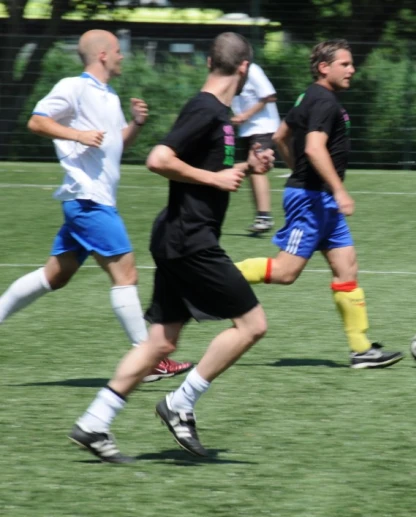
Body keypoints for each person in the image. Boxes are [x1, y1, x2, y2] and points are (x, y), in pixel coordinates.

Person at [69, 32, 275, 463]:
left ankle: (93, 422)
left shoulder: (219, 114)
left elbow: (203, 168)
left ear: (208, 63)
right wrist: (217, 179)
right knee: (252, 325)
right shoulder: (206, 109)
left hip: (178, 238)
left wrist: (243, 166)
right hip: (191, 241)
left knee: (161, 342)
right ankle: (180, 403)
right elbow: (159, 159)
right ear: (244, 69)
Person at [0, 29, 192, 382]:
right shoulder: (74, 86)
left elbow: (114, 142)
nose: (122, 56)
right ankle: (148, 358)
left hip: (93, 200)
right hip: (88, 200)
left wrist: (135, 124)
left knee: (54, 276)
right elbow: (37, 120)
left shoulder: (109, 96)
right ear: (103, 55)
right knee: (127, 274)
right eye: (118, 51)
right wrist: (77, 135)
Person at [234, 39, 403, 369]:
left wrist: (298, 171)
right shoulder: (324, 100)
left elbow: (282, 135)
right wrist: (337, 189)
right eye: (345, 64)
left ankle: (361, 350)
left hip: (320, 199)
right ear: (324, 67)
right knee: (285, 272)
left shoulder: (309, 95)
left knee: (346, 267)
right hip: (313, 200)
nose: (352, 69)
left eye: (352, 64)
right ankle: (216, 278)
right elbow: (313, 147)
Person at [231, 61, 280, 235]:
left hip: (262, 126)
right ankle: (262, 216)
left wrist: (245, 115)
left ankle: (264, 217)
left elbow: (269, 95)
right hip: (246, 129)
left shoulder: (252, 70)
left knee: (257, 167)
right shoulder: (229, 72)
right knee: (252, 170)